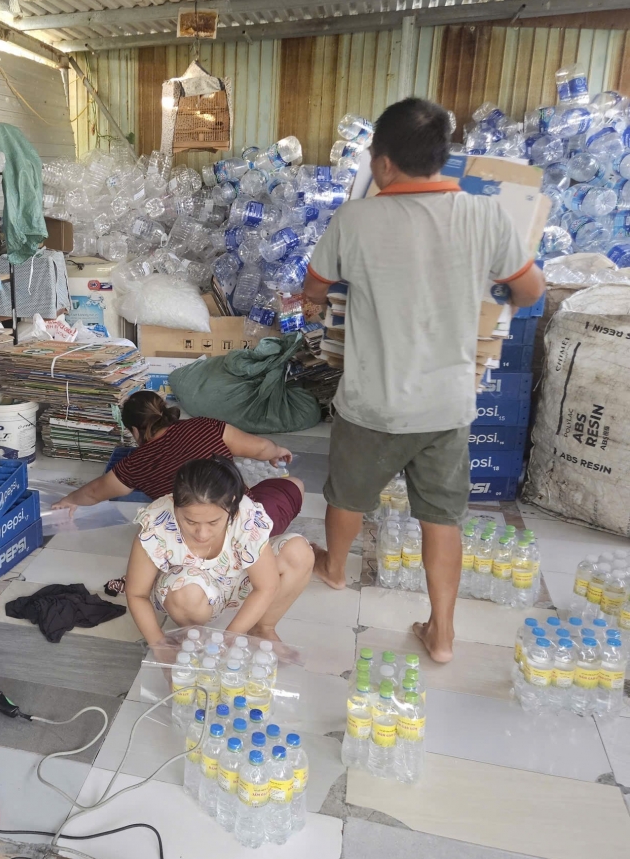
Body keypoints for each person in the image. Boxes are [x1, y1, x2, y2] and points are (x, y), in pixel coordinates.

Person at [303, 97, 546, 664]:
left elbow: (315, 288)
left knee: (348, 495)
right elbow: (531, 289)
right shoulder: (486, 216)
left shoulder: (354, 219)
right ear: (442, 156)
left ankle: (334, 568)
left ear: (384, 163)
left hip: (373, 402)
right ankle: (442, 633)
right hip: (447, 404)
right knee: (442, 518)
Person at [124, 456, 314, 646]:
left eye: (213, 522)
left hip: (237, 584)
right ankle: (190, 631)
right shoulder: (157, 522)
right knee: (186, 594)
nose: (202, 533)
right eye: (190, 521)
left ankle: (263, 627)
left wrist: (228, 639)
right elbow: (137, 594)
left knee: (299, 552)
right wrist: (158, 645)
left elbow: (266, 586)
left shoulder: (246, 516)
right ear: (174, 503)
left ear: (232, 504)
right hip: (186, 591)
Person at [51, 390, 297, 509]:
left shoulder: (136, 464)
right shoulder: (205, 426)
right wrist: (277, 451)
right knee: (292, 485)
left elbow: (95, 492)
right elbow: (260, 448)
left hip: (191, 535)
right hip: (238, 525)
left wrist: (69, 500)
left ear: (135, 430)